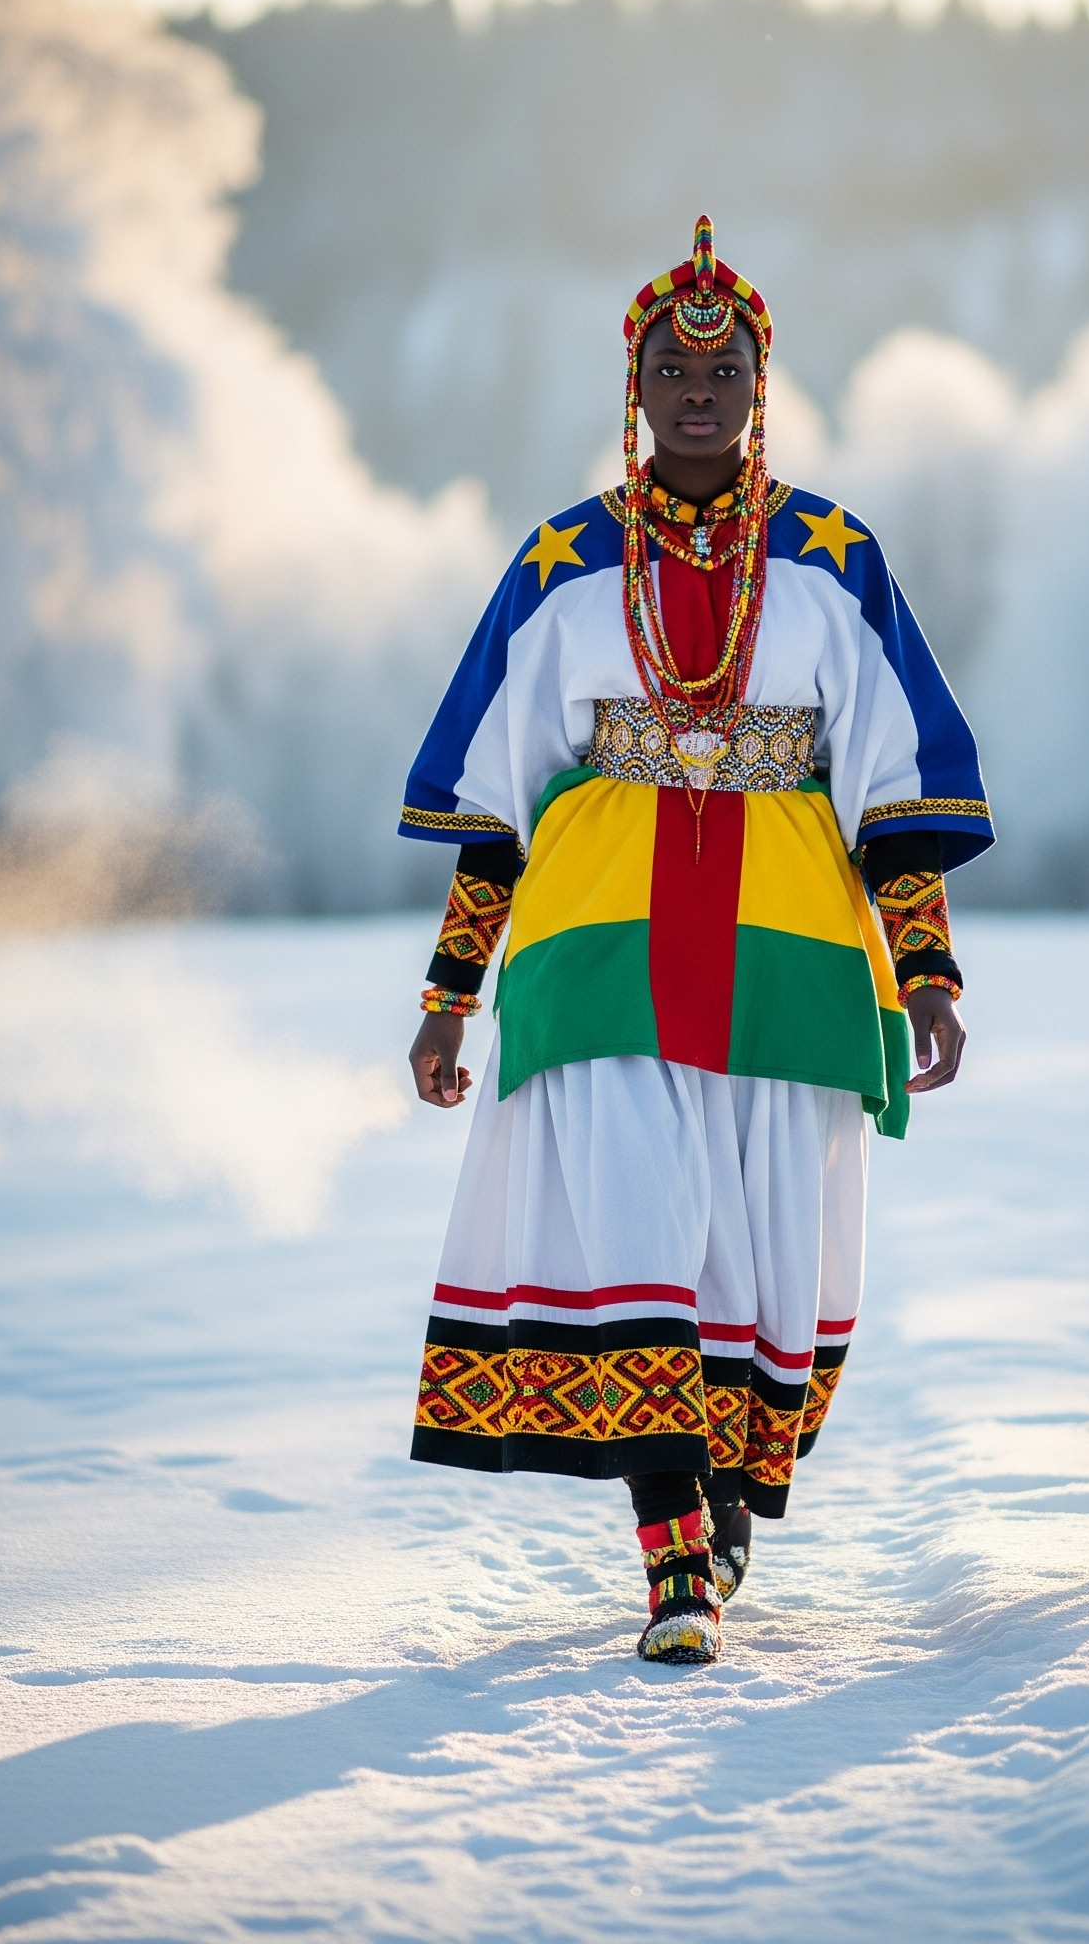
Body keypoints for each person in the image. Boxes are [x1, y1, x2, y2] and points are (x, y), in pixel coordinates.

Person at [399, 216, 992, 1664]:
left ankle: (722, 1502)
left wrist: (927, 969)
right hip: (595, 949)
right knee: (645, 1240)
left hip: (787, 960)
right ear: (637, 387)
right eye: (673, 365)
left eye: (724, 369)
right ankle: (673, 1559)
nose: (699, 390)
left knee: (756, 1265)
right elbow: (491, 809)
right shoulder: (559, 565)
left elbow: (899, 795)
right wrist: (446, 997)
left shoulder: (834, 558)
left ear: (761, 384)